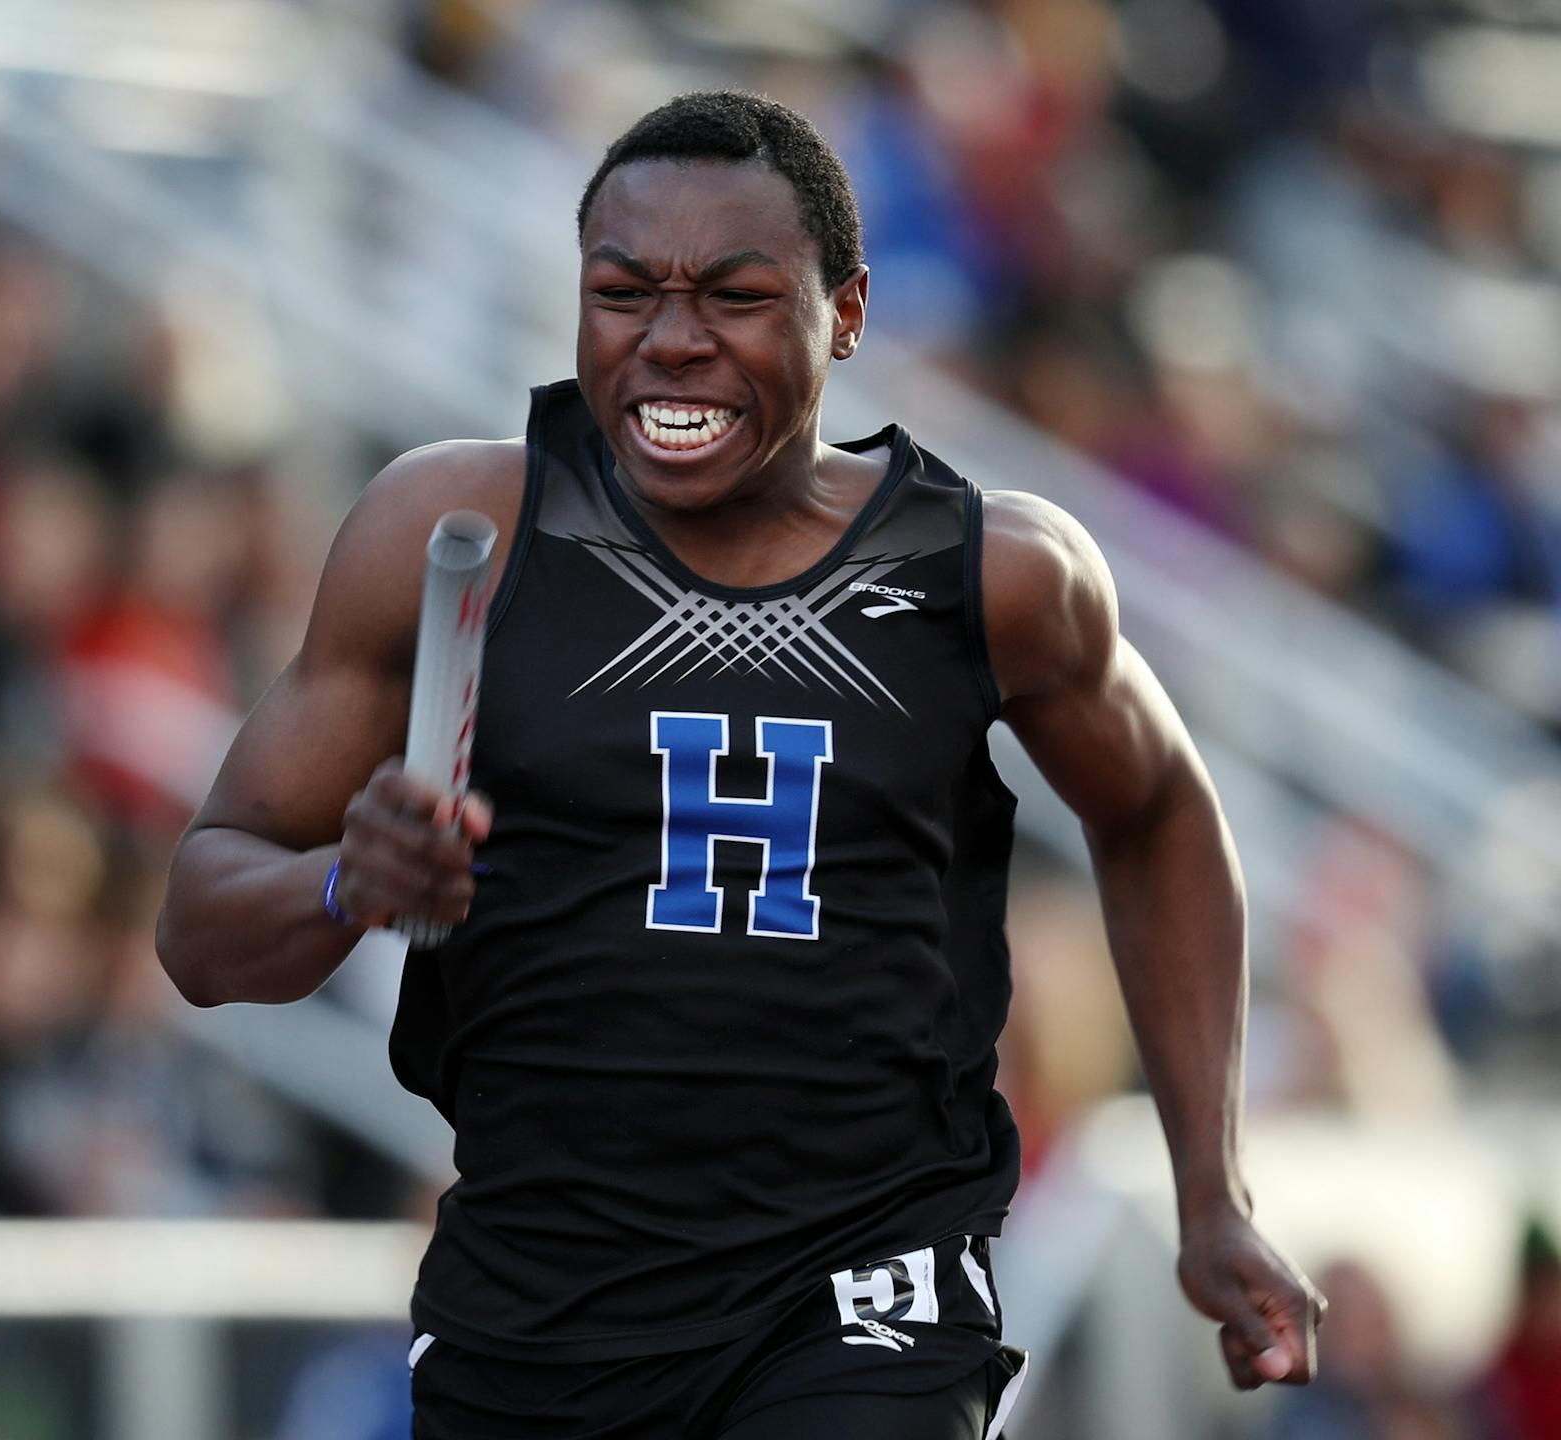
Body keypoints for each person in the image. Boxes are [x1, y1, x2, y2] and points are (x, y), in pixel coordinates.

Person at [157, 91, 1323, 1439]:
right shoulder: (451, 526)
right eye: (625, 292)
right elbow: (197, 924)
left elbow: (1160, 810)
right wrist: (341, 889)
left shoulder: (994, 574)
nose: (672, 341)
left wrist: (1214, 1189)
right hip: (543, 1303)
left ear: (848, 313)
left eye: (733, 294)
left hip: (862, 1293)